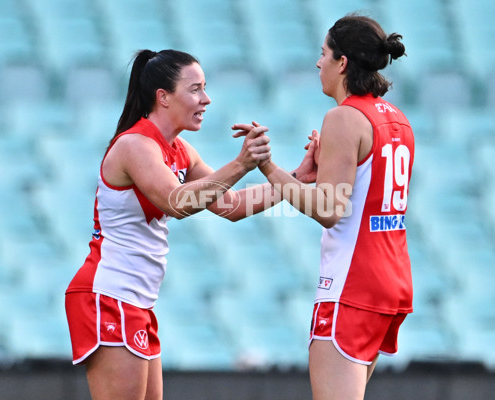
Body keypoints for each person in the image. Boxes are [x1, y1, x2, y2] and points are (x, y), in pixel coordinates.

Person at [64, 49, 316, 400]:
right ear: (163, 97)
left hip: (135, 301)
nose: (206, 99)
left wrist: (297, 178)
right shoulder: (135, 145)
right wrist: (241, 164)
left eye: (205, 88)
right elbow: (177, 202)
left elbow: (231, 206)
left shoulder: (180, 150)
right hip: (109, 295)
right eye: (195, 89)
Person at [239, 14, 414, 399]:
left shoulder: (343, 118)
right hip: (391, 279)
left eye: (323, 54)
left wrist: (267, 167)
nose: (318, 63)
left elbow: (330, 210)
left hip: (353, 282)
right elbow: (362, 193)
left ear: (343, 63)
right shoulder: (397, 119)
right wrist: (312, 175)